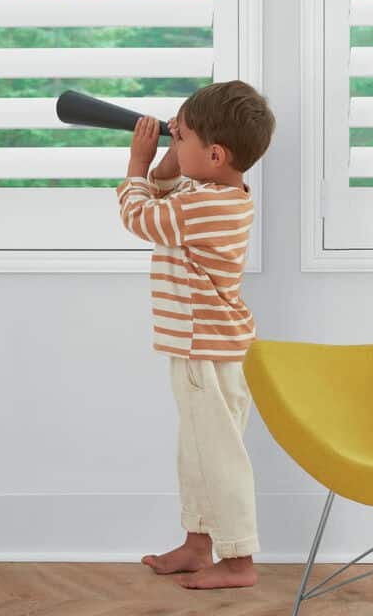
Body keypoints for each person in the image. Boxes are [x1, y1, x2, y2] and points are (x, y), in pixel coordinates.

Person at [115, 80, 276, 590]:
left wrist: (138, 165)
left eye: (179, 138)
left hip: (205, 349)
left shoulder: (201, 206)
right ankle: (198, 543)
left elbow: (140, 217)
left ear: (214, 153)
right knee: (198, 453)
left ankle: (239, 560)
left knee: (220, 457)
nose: (171, 144)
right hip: (205, 348)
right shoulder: (213, 193)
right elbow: (172, 196)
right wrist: (168, 163)